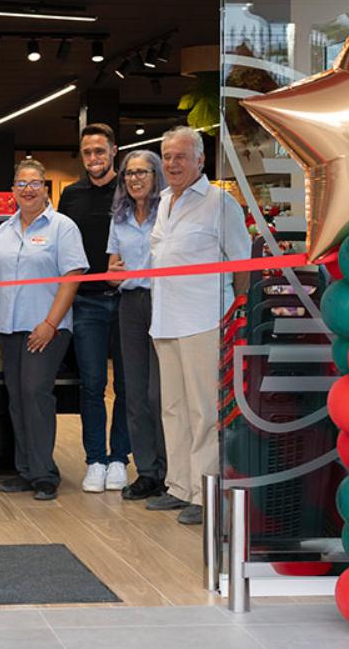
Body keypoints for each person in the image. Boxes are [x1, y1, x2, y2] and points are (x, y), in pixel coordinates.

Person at [146, 127, 250, 525]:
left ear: (200, 160)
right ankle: (180, 486)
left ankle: (206, 493)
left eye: (180, 157)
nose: (172, 164)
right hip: (166, 319)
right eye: (167, 156)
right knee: (172, 409)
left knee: (204, 410)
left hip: (205, 320)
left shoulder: (219, 202)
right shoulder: (164, 201)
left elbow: (242, 264)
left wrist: (234, 314)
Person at [0, 159, 88, 501]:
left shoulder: (63, 227)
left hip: (46, 328)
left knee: (35, 394)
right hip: (10, 329)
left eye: (34, 183)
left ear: (46, 188)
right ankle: (25, 469)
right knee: (17, 398)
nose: (27, 190)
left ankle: (45, 474)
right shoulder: (3, 231)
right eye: (21, 184)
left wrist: (50, 324)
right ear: (13, 190)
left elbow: (72, 278)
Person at [57, 123, 133, 493]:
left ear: (113, 151)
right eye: (87, 152)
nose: (94, 158)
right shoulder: (71, 195)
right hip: (86, 303)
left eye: (100, 151)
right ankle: (95, 460)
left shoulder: (132, 190)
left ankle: (120, 457)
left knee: (127, 385)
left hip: (128, 300)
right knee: (91, 384)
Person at [106, 149, 168, 501]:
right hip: (130, 305)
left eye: (142, 172)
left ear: (155, 175)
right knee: (133, 392)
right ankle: (146, 471)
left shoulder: (168, 213)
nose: (135, 179)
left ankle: (171, 471)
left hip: (165, 303)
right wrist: (114, 276)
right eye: (129, 173)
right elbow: (113, 268)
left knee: (160, 394)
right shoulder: (120, 217)